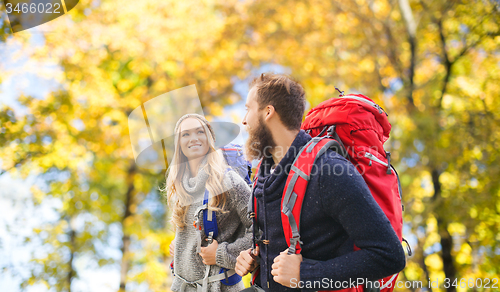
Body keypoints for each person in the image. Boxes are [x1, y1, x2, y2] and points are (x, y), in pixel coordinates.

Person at [235, 73, 406, 291]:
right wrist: (253, 256)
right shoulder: (263, 174)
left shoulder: (328, 171)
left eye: (248, 109)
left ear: (268, 112)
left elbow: (389, 256)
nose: (244, 120)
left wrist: (305, 274)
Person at [164, 113, 253, 292]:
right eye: (186, 134)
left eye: (200, 132)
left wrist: (222, 253)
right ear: (179, 144)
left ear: (210, 139)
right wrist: (180, 244)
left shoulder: (229, 182)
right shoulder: (180, 186)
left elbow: (262, 229)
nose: (194, 138)